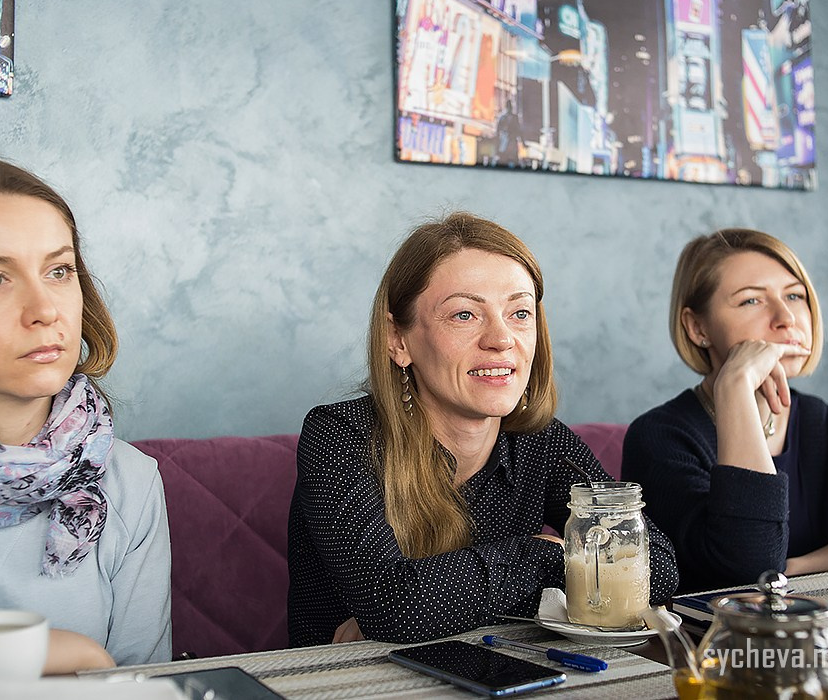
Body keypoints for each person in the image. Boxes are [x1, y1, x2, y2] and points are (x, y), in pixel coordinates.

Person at [287, 211, 678, 647]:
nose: (501, 338)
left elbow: (657, 566)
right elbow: (397, 608)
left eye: (520, 313)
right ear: (398, 340)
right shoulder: (339, 436)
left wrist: (432, 606)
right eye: (464, 315)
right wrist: (548, 553)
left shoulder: (543, 442)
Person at [0, 159, 171, 678]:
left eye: (59, 271)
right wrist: (64, 661)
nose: (44, 310)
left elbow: (142, 684)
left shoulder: (130, 481)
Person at [622, 228, 828, 593]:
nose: (787, 318)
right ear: (698, 327)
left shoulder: (824, 424)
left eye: (795, 295)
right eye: (751, 301)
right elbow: (747, 565)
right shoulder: (658, 437)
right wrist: (735, 386)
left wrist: (802, 567)